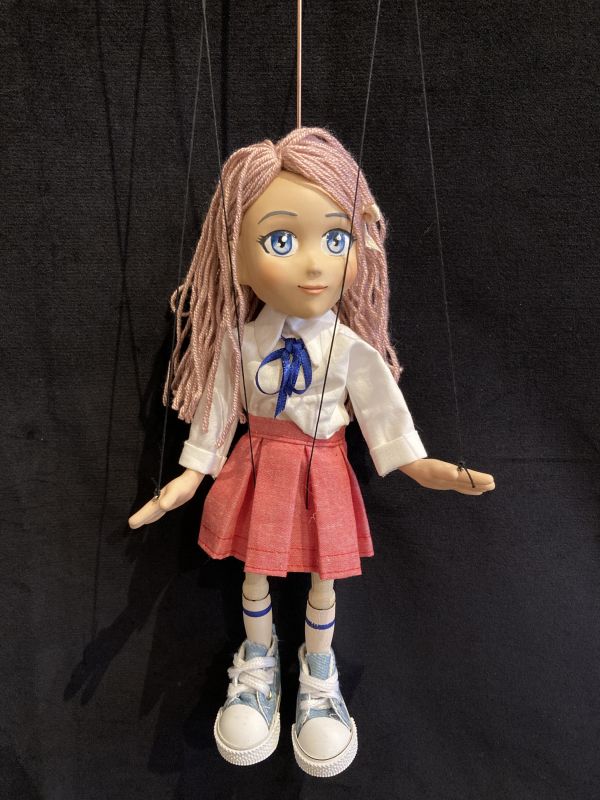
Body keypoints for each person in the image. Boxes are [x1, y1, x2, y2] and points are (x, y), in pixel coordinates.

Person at [129, 127, 495, 777]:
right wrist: (186, 477)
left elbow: (383, 416)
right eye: (280, 241)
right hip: (256, 465)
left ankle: (318, 677)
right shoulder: (239, 343)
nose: (315, 265)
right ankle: (258, 663)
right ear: (237, 259)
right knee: (255, 571)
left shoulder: (350, 348)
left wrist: (422, 467)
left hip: (322, 466)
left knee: (324, 577)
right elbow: (216, 416)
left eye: (335, 238)